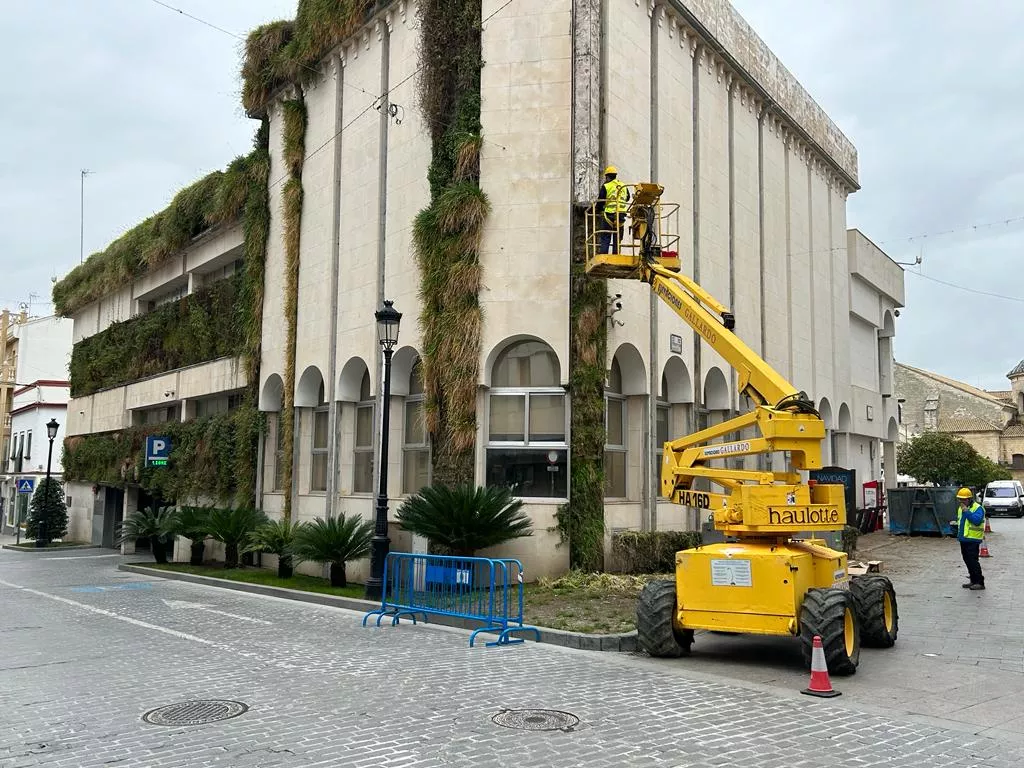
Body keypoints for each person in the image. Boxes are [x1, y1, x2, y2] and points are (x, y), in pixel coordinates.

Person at [954, 487, 986, 590]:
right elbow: (962, 523)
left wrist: (967, 511)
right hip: (964, 539)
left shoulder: (977, 508)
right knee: (967, 560)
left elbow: (976, 521)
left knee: (973, 561)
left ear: (969, 499)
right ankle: (973, 580)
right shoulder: (960, 509)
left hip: (973, 539)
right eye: (960, 499)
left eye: (963, 499)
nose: (961, 501)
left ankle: (979, 582)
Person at [596, 165, 630, 254]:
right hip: (621, 216)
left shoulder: (606, 186)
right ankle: (616, 255)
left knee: (605, 237)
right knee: (617, 237)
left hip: (609, 215)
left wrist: (597, 210)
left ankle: (604, 256)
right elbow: (627, 198)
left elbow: (600, 201)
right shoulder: (623, 186)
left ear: (607, 176)